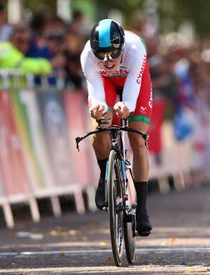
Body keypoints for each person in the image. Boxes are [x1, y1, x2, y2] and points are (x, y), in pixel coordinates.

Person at [80, 19, 153, 236]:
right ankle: (105, 177)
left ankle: (142, 208)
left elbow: (133, 89)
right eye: (101, 55)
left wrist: (127, 106)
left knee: (137, 138)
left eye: (113, 53)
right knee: (100, 126)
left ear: (121, 47)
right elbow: (96, 94)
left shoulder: (135, 47)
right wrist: (100, 108)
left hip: (133, 83)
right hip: (105, 85)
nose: (108, 60)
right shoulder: (87, 56)